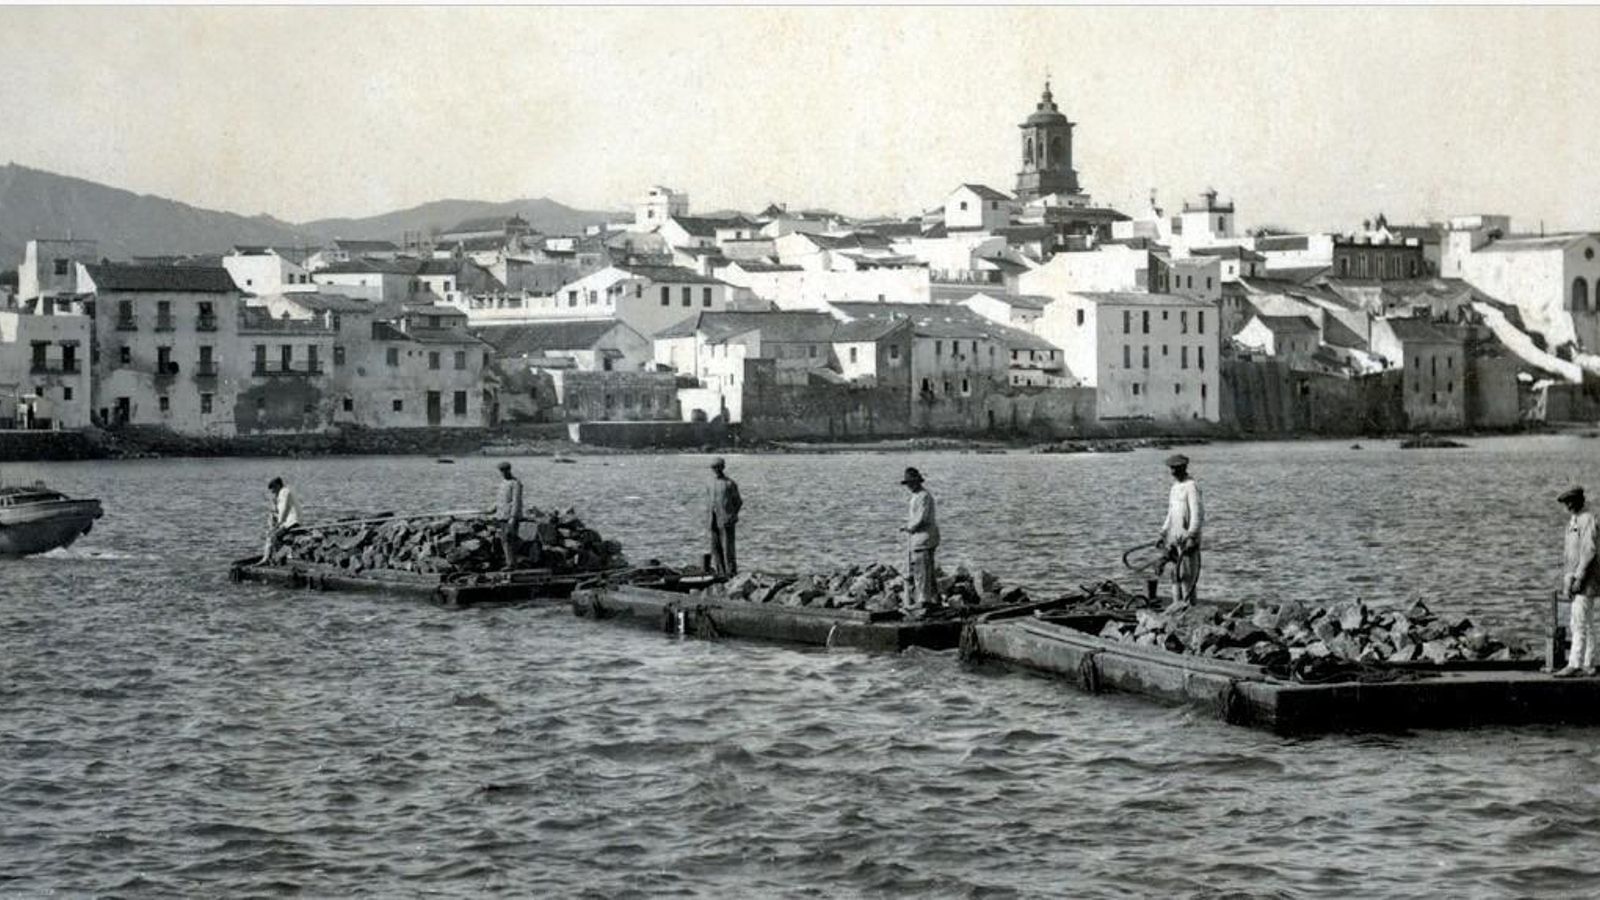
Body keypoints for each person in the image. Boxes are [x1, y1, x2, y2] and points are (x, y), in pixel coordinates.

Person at [1555, 486, 1599, 678]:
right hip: (1576, 579)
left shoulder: (1587, 519)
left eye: (1571, 502)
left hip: (1585, 580)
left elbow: (1589, 552)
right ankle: (1590, 663)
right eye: (1566, 503)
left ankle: (1575, 664)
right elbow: (1569, 556)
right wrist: (1567, 579)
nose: (1568, 506)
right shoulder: (1573, 521)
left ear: (1580, 501)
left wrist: (1579, 578)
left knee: (1578, 623)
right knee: (1586, 622)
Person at [1158, 454, 1203, 604]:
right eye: (1171, 468)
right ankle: (1176, 606)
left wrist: (1192, 535)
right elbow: (1171, 512)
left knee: (1187, 576)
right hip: (1173, 537)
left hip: (1187, 538)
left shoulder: (1191, 486)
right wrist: (1163, 532)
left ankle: (1189, 608)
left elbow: (1197, 513)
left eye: (1176, 469)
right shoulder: (1174, 487)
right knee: (1175, 575)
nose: (1173, 472)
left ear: (1184, 468)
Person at [899, 467, 941, 607]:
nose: (909, 486)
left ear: (917, 481)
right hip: (918, 539)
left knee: (922, 571)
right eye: (908, 483)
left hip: (924, 539)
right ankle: (932, 600)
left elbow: (921, 518)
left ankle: (924, 601)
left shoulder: (923, 496)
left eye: (911, 482)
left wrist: (909, 527)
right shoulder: (916, 496)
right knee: (924, 571)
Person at [707, 457, 742, 576]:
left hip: (727, 519)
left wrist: (732, 515)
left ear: (723, 467)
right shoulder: (710, 483)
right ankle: (720, 572)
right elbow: (709, 501)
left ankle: (731, 573)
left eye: (718, 467)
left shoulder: (730, 484)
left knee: (728, 549)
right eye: (713, 467)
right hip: (713, 519)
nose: (716, 469)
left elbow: (738, 502)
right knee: (715, 548)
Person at [261, 476, 301, 564]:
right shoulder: (287, 490)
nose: (273, 492)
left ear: (278, 486)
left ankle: (268, 558)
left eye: (274, 490)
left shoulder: (284, 492)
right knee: (273, 533)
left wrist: (278, 524)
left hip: (292, 522)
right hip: (293, 521)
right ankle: (273, 557)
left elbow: (284, 509)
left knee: (271, 536)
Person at [494, 461, 524, 569]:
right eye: (501, 471)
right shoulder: (502, 483)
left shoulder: (515, 483)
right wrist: (493, 508)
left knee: (509, 539)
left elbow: (516, 501)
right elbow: (500, 500)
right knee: (504, 540)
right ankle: (509, 562)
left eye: (504, 471)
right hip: (501, 515)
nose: (502, 473)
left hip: (510, 516)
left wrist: (513, 517)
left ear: (509, 470)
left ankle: (511, 564)